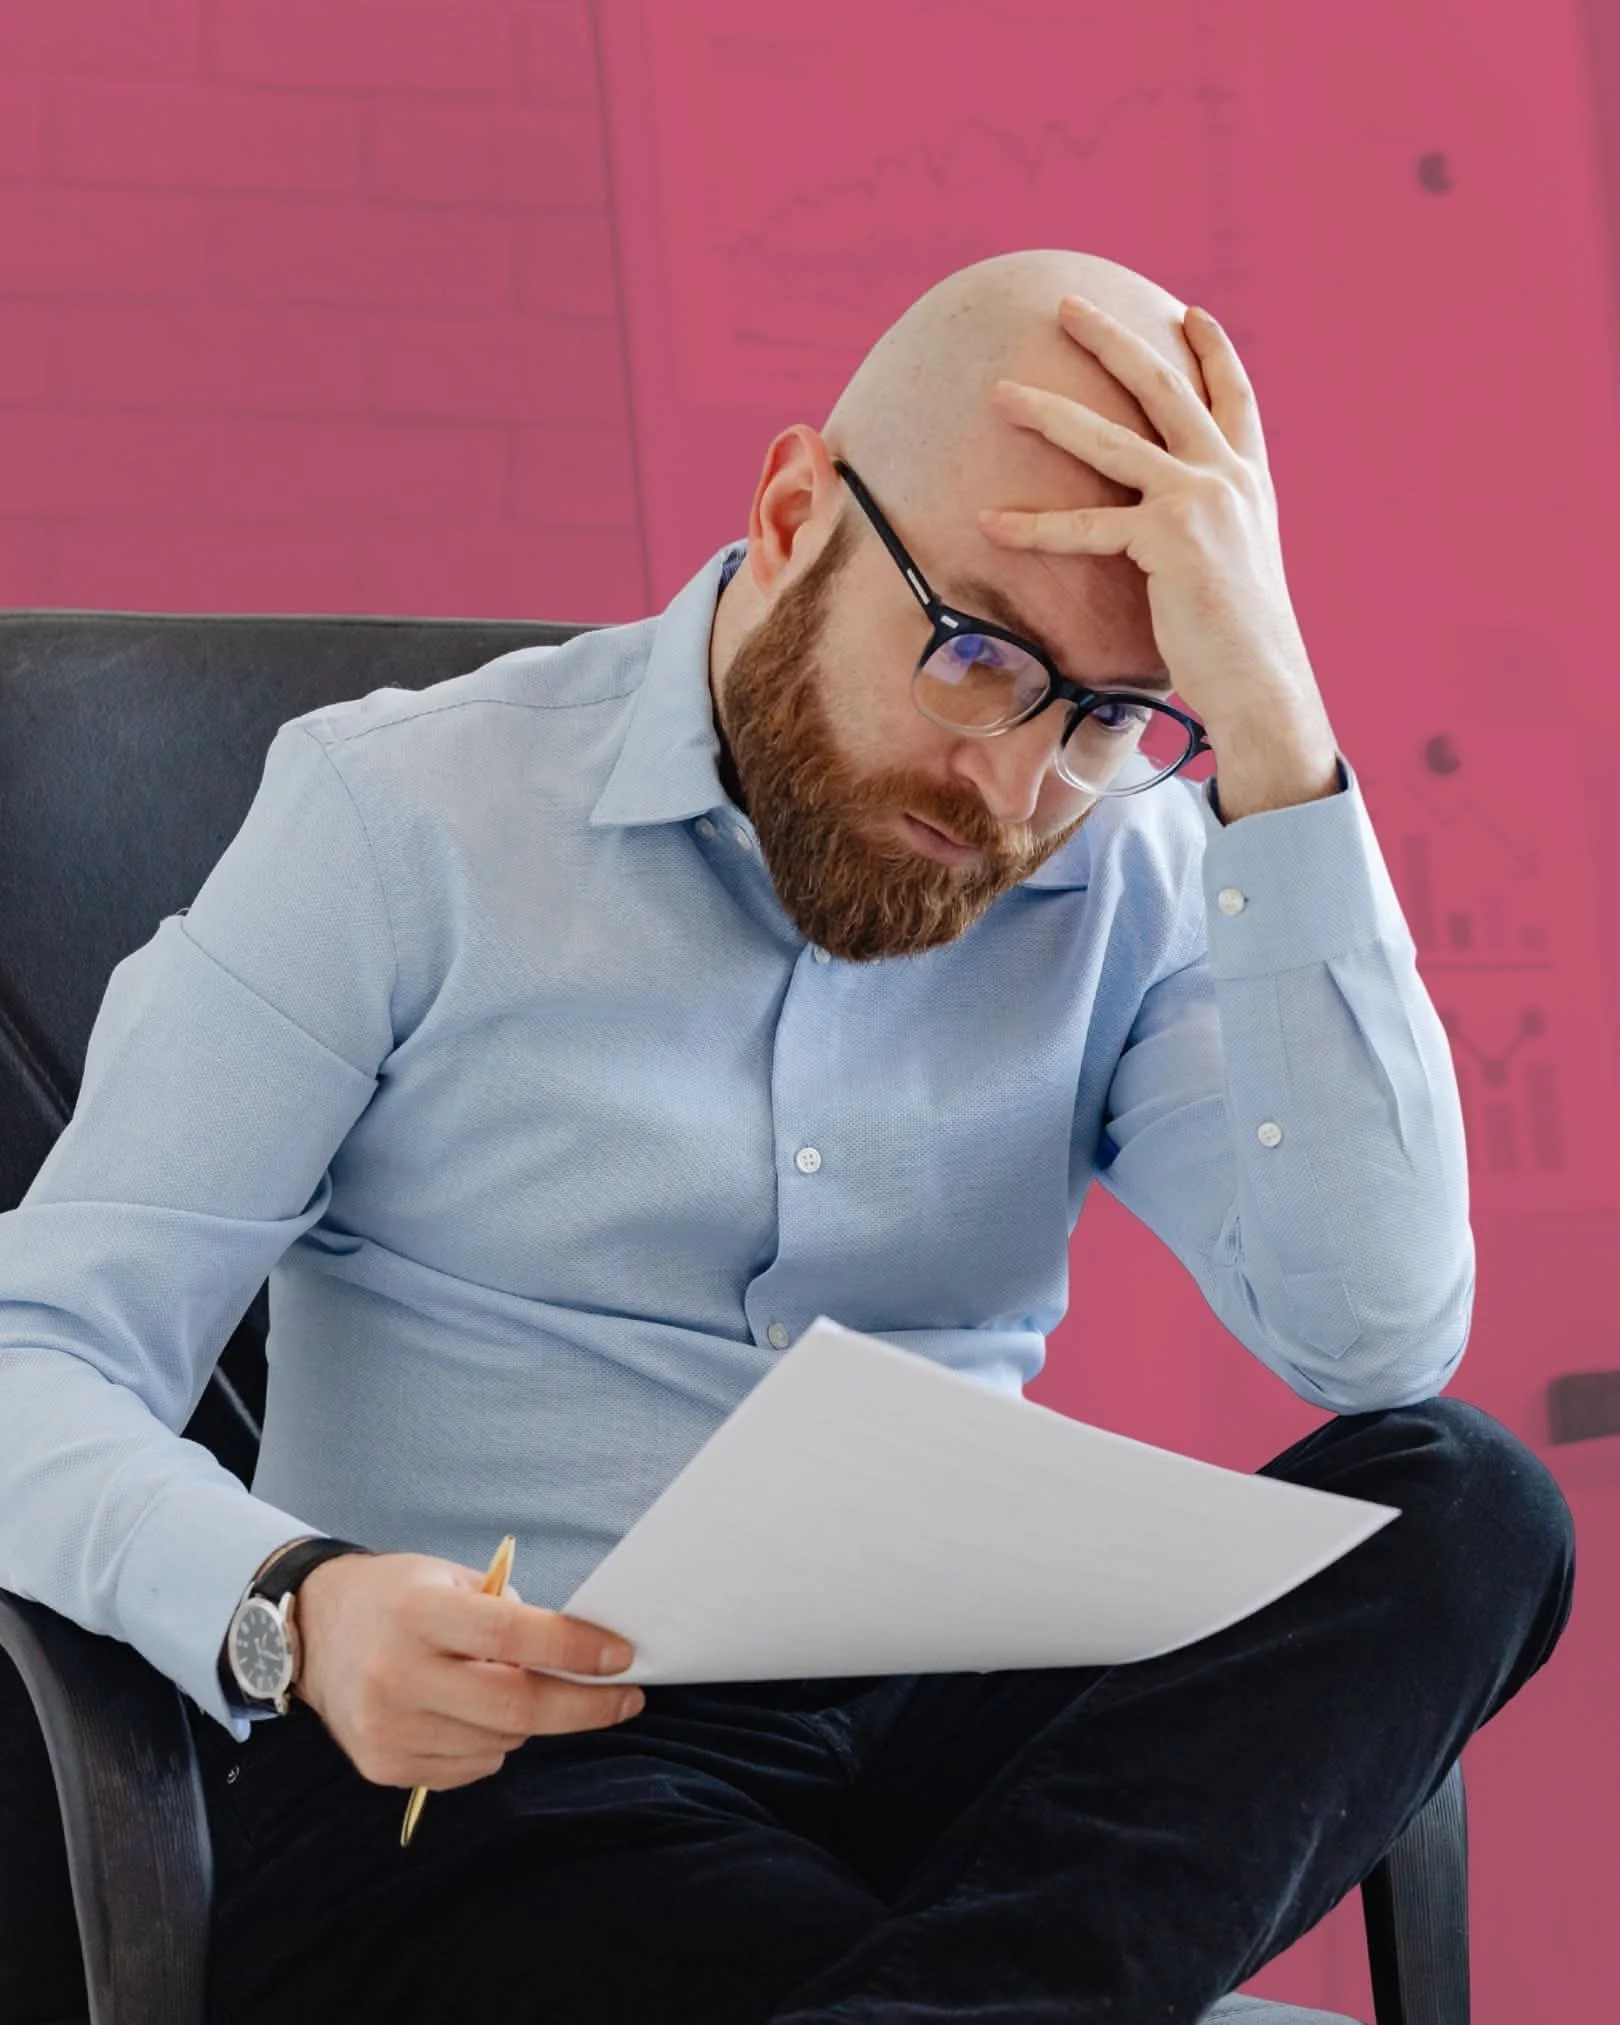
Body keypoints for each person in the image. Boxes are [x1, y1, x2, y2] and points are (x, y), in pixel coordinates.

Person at [0, 247, 1574, 2024]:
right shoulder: (399, 817)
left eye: (1111, 713)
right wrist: (292, 1602)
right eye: (978, 652)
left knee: (1469, 1507)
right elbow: (30, 1352)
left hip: (952, 1747)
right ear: (794, 509)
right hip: (507, 1775)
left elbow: (1371, 1328)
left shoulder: (1122, 858)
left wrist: (1275, 736)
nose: (1009, 788)